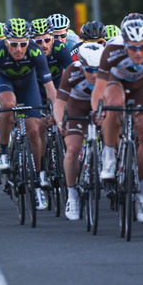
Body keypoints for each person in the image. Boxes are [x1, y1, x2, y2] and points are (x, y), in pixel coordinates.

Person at [90, 14, 143, 224]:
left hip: (141, 85)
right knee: (113, 103)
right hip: (116, 82)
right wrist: (97, 110)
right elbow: (99, 89)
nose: (138, 52)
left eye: (142, 47)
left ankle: (141, 195)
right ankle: (108, 158)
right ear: (124, 42)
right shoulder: (111, 50)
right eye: (132, 47)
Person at [0, 18, 57, 211]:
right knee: (8, 105)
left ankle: (38, 175)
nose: (19, 49)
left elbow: (49, 88)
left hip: (28, 85)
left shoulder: (35, 51)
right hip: (5, 83)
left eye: (23, 44)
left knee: (34, 130)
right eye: (14, 44)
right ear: (6, 42)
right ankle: (2, 152)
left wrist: (57, 110)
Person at [53, 42, 104, 220]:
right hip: (77, 108)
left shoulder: (110, 71)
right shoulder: (72, 71)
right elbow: (59, 102)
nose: (95, 74)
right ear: (81, 66)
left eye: (98, 69)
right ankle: (72, 195)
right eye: (89, 70)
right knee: (73, 149)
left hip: (101, 105)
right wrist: (60, 122)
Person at [32, 17, 73, 189]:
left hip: (57, 89)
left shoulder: (61, 49)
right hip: (35, 90)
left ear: (53, 38)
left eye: (47, 40)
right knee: (40, 125)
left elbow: (73, 74)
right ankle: (40, 170)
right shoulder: (29, 52)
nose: (43, 45)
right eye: (38, 41)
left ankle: (70, 159)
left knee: (64, 125)